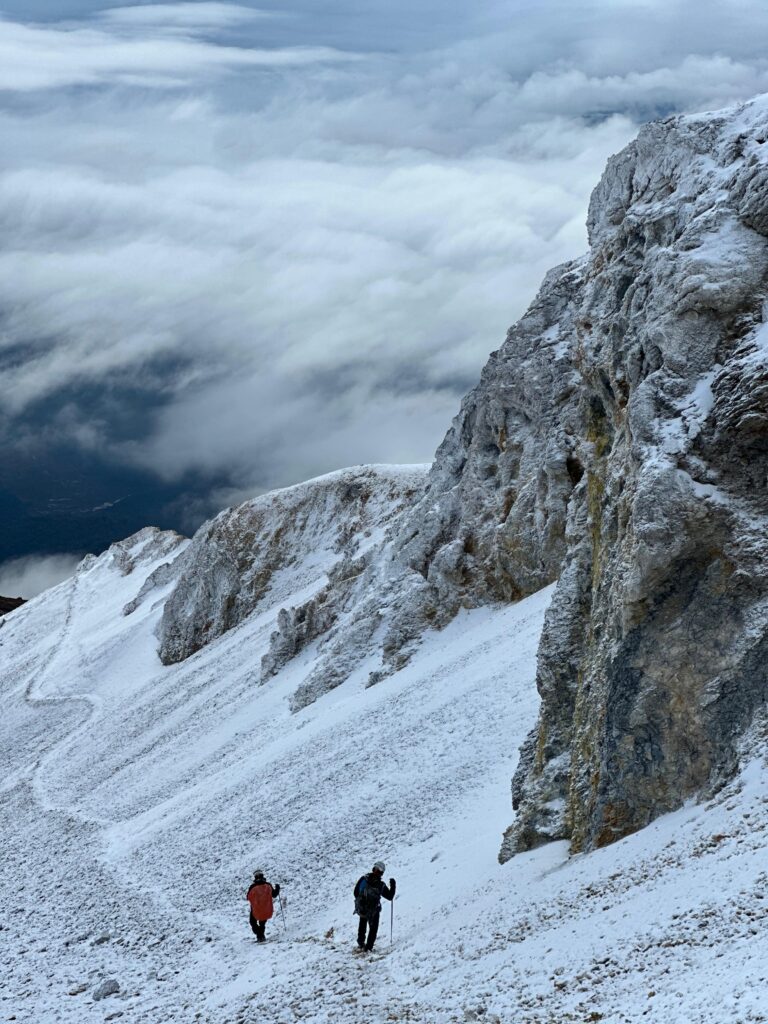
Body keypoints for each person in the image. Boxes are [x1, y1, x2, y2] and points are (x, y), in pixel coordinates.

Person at [353, 861, 396, 952]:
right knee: (373, 929)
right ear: (382, 873)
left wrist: (361, 901)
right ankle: (368, 948)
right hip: (374, 910)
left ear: (373, 869)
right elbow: (390, 896)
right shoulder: (381, 885)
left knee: (362, 924)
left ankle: (361, 943)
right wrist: (393, 885)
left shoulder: (364, 879)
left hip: (362, 907)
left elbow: (355, 892)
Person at [246, 869, 280, 943]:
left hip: (255, 908)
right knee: (262, 923)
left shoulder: (253, 886)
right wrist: (277, 888)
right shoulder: (268, 885)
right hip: (266, 908)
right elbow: (274, 894)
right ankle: (261, 936)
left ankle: (260, 936)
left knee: (253, 922)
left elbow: (248, 897)